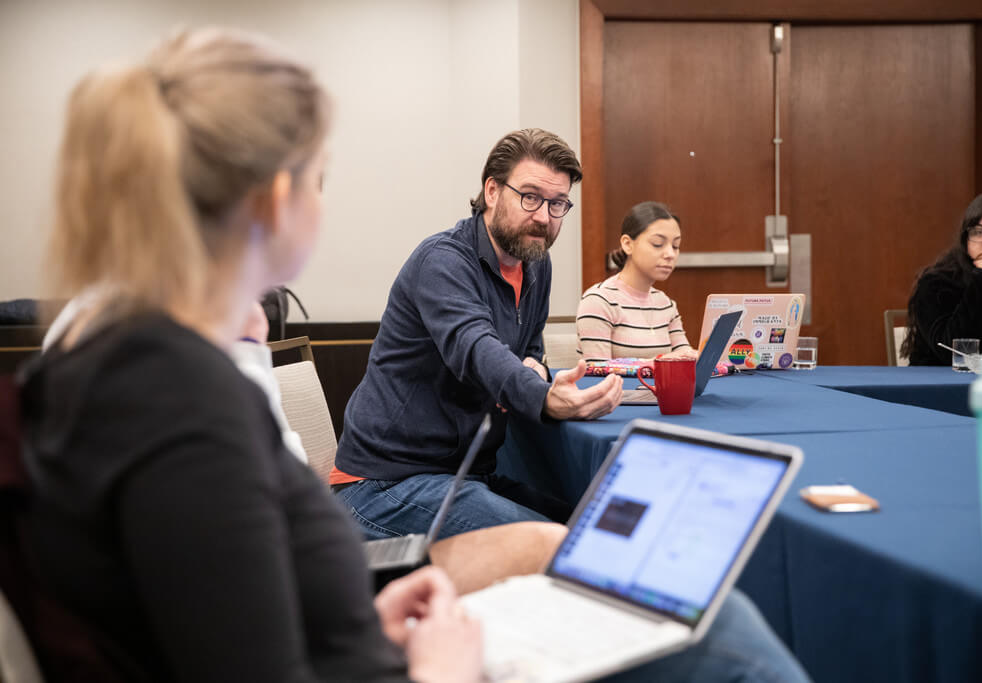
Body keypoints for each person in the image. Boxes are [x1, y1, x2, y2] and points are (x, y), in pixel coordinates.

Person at [20, 27, 484, 680]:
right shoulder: (182, 401)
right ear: (275, 197)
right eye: (319, 176)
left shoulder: (127, 354)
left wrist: (351, 627)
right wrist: (444, 672)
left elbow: (217, 621)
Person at [333, 128, 624, 539]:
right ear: (492, 190)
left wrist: (535, 370)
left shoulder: (536, 263)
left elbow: (529, 350)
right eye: (530, 197)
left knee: (596, 526)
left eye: (558, 204)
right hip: (385, 484)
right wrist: (542, 395)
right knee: (560, 546)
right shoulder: (443, 261)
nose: (543, 216)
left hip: (467, 475)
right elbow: (476, 349)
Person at [903, 189, 982, 365]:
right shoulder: (936, 282)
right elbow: (956, 354)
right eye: (979, 232)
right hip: (942, 387)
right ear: (966, 239)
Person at [576, 201, 699, 362]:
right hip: (615, 388)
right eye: (658, 244)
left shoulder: (665, 304)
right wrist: (659, 362)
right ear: (627, 244)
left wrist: (697, 356)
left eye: (675, 246)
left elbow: (683, 356)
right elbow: (597, 370)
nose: (670, 254)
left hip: (659, 388)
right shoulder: (599, 301)